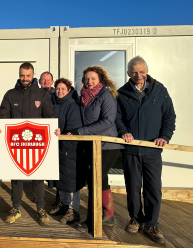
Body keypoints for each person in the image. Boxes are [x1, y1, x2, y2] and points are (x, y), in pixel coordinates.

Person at [116, 56, 176, 244]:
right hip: (131, 150)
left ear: (147, 71)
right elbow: (117, 119)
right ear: (128, 73)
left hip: (152, 150)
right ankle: (136, 219)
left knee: (153, 189)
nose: (138, 75)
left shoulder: (160, 91)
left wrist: (165, 137)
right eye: (134, 71)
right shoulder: (122, 93)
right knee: (133, 188)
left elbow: (169, 116)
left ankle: (152, 224)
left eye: (141, 71)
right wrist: (124, 131)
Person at [0, 62, 56, 226]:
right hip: (16, 144)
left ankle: (40, 209)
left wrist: (54, 129)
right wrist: (1, 128)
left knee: (38, 176)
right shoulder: (10, 94)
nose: (24, 78)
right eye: (22, 75)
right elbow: (3, 116)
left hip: (36, 144)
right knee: (16, 177)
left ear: (33, 75)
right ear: (19, 74)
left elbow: (50, 116)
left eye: (28, 76)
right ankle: (15, 208)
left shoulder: (42, 95)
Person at [73, 66, 124, 233]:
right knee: (100, 179)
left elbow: (107, 121)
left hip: (107, 145)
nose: (89, 82)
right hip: (92, 144)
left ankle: (91, 221)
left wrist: (80, 132)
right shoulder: (83, 97)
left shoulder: (105, 96)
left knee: (95, 179)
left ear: (100, 80)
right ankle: (108, 215)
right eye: (87, 79)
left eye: (93, 78)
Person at [49, 78, 86, 225]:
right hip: (57, 147)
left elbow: (73, 128)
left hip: (70, 148)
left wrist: (62, 133)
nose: (60, 91)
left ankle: (73, 209)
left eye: (63, 89)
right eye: (58, 88)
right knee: (61, 178)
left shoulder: (72, 105)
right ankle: (64, 205)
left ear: (69, 90)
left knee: (71, 180)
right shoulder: (54, 103)